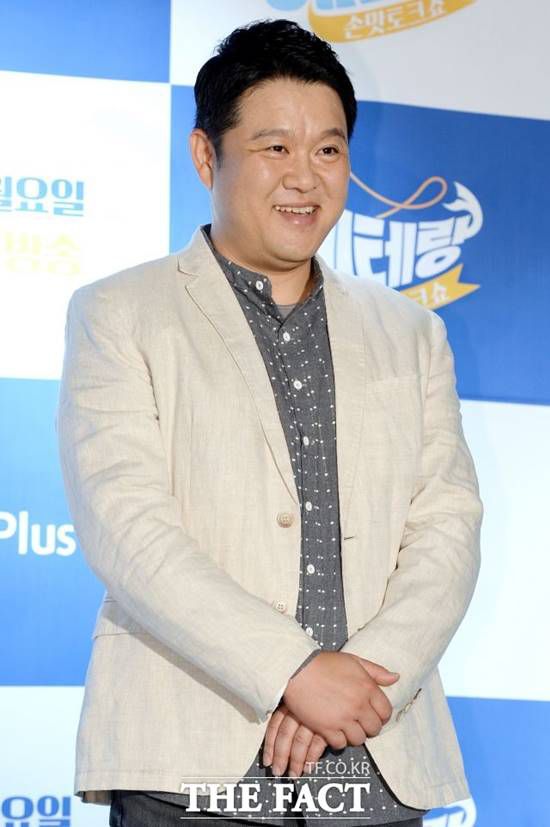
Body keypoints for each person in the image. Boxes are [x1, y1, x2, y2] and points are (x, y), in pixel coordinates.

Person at [56, 18, 483, 827]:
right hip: (191, 763)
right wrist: (294, 669)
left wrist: (357, 678)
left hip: (375, 759)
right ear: (206, 156)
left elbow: (448, 527)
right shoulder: (120, 312)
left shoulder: (411, 333)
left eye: (328, 149)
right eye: (275, 147)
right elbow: (128, 528)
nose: (304, 176)